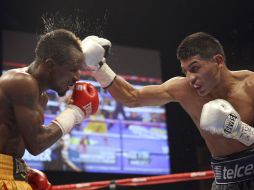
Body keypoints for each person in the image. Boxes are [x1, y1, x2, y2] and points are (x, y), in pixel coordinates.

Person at [81, 33, 254, 189]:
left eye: (195, 68)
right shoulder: (183, 89)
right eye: (185, 71)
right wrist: (99, 67)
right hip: (224, 182)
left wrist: (243, 132)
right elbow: (132, 97)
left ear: (218, 61)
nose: (191, 78)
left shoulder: (250, 85)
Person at [0, 29, 99, 189]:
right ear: (50, 65)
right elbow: (37, 144)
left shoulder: (41, 97)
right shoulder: (21, 82)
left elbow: (13, 142)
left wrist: (24, 171)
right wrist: (75, 112)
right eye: (73, 69)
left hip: (12, 174)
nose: (77, 77)